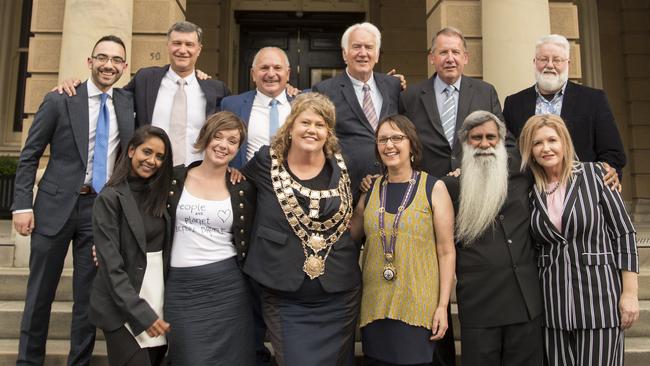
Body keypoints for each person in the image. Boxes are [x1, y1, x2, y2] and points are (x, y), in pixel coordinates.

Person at [12, 35, 134, 366]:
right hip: (54, 207)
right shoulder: (61, 99)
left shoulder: (127, 103)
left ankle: (77, 362)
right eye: (102, 58)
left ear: (124, 67)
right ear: (90, 61)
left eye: (116, 60)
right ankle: (28, 361)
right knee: (39, 294)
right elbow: (30, 155)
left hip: (99, 211)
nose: (109, 65)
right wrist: (22, 205)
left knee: (88, 298)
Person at [242, 92, 360, 366]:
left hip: (339, 294)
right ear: (291, 126)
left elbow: (360, 203)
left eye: (320, 125)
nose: (312, 130)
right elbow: (239, 193)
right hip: (283, 294)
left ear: (328, 132)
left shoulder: (345, 166)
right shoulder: (265, 162)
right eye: (305, 122)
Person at [518, 114, 639, 366]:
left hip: (600, 303)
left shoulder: (597, 175)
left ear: (564, 142)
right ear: (529, 150)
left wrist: (629, 293)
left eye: (552, 140)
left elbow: (624, 233)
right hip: (553, 308)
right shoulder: (530, 192)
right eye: (537, 143)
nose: (546, 148)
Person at [349, 115, 455, 366]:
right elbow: (350, 235)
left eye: (397, 138)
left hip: (419, 307)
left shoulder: (434, 188)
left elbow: (446, 252)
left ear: (412, 144)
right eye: (383, 139)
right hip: (375, 307)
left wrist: (442, 306)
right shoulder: (371, 190)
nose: (389, 145)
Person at [441, 111, 544, 366]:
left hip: (524, 301)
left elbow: (559, 165)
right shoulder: (450, 187)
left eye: (491, 137)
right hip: (479, 305)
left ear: (501, 140)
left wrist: (602, 169)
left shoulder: (523, 174)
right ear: (465, 142)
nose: (485, 144)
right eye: (476, 138)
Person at [56, 21, 230, 166]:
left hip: (196, 176)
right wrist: (77, 85)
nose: (182, 50)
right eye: (177, 43)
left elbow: (231, 132)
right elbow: (110, 97)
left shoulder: (215, 89)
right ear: (168, 46)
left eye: (189, 44)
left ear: (199, 49)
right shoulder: (145, 78)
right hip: (149, 175)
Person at [164, 111, 256, 365]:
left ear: (238, 148)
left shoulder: (242, 187)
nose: (223, 145)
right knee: (188, 357)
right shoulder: (173, 178)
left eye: (232, 141)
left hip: (228, 285)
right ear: (206, 137)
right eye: (218, 137)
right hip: (181, 286)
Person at [90, 126, 174, 366]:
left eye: (159, 157)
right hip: (123, 304)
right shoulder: (109, 198)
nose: (152, 161)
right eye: (146, 152)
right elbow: (111, 268)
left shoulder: (163, 194)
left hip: (158, 297)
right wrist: (141, 313)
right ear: (130, 151)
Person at [503, 34, 625, 187]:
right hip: (530, 196)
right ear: (535, 62)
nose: (549, 65)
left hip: (581, 193)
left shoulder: (593, 100)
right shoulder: (514, 103)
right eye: (543, 59)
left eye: (557, 60)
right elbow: (508, 152)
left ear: (568, 63)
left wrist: (609, 173)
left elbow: (612, 152)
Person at [399, 27, 504, 178]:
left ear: (465, 58)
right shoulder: (410, 97)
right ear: (432, 58)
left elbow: (502, 139)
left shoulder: (485, 92)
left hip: (475, 184)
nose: (450, 59)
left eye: (455, 52)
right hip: (427, 188)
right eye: (443, 52)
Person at [312, 22, 401, 199]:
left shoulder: (393, 86)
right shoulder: (324, 90)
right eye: (356, 47)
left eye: (369, 47)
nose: (363, 53)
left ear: (376, 54)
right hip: (347, 190)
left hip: (393, 184)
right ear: (345, 54)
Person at [223, 47, 293, 169]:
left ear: (287, 74)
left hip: (293, 183)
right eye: (264, 68)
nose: (271, 74)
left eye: (277, 68)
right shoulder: (232, 105)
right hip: (248, 183)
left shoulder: (303, 104)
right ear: (253, 74)